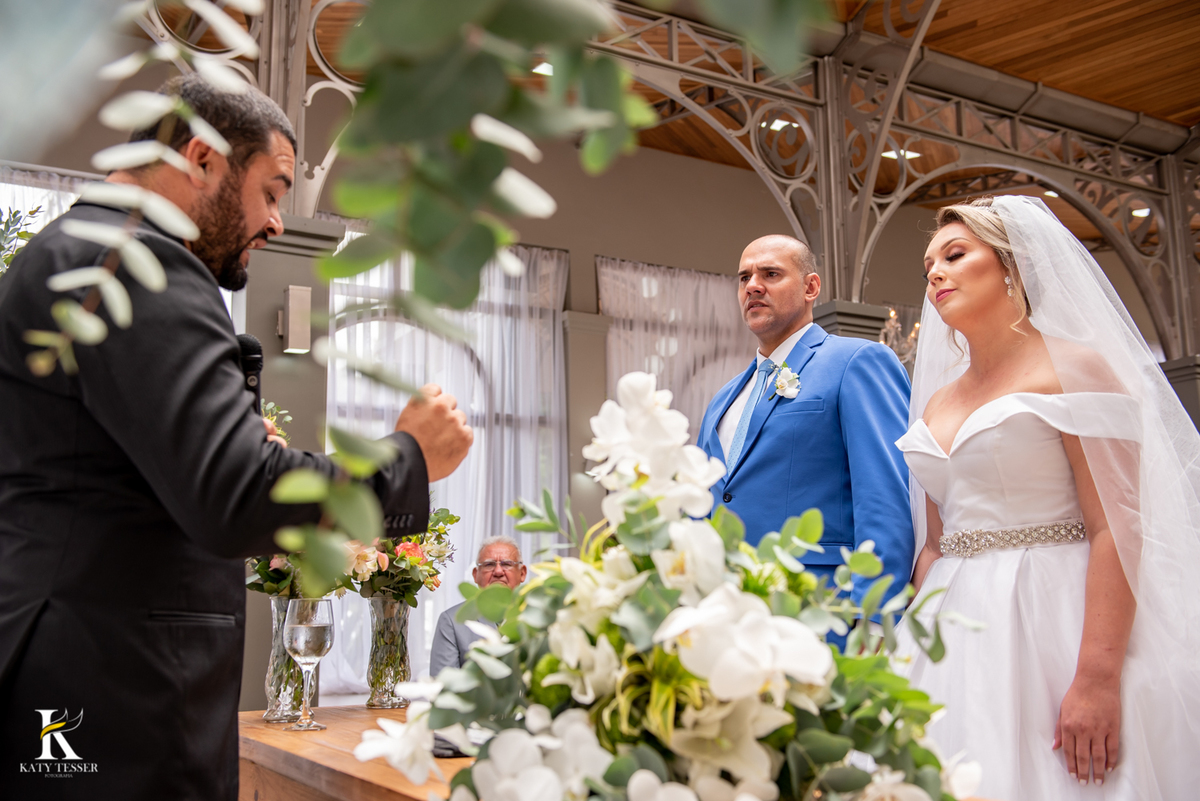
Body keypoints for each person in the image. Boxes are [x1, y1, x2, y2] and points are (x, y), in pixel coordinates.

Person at [0, 74, 473, 800]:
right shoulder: (139, 262)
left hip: (71, 669)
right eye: (274, 190)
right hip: (110, 686)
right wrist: (405, 458)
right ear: (202, 160)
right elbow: (234, 492)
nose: (279, 222)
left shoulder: (76, 253)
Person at [896, 195, 1200, 799]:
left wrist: (1097, 676)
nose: (935, 272)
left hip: (1053, 616)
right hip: (949, 627)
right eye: (929, 262)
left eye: (956, 254)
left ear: (1011, 267)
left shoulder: (1076, 369)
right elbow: (932, 543)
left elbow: (1117, 526)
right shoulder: (936, 401)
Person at [696, 235, 914, 610]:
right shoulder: (723, 398)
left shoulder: (857, 362)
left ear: (811, 287)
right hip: (729, 614)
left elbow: (885, 499)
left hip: (822, 605)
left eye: (771, 274)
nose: (753, 286)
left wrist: (876, 617)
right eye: (744, 277)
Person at [429, 536, 527, 677]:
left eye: (507, 564)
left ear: (522, 573)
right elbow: (443, 687)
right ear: (475, 575)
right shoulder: (452, 621)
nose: (498, 572)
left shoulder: (542, 616)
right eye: (489, 565)